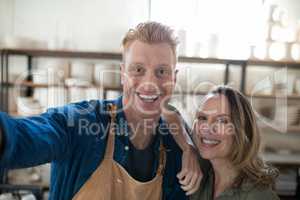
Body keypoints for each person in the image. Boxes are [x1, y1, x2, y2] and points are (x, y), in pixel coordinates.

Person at [0, 22, 206, 200]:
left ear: (175, 79)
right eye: (138, 70)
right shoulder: (82, 123)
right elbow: (27, 135)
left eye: (162, 71)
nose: (150, 83)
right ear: (122, 75)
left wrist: (190, 148)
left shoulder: (176, 148)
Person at [187, 86, 280, 200]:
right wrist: (187, 149)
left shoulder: (257, 195)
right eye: (203, 118)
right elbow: (166, 111)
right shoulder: (201, 173)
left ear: (242, 131)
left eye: (222, 121)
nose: (207, 128)